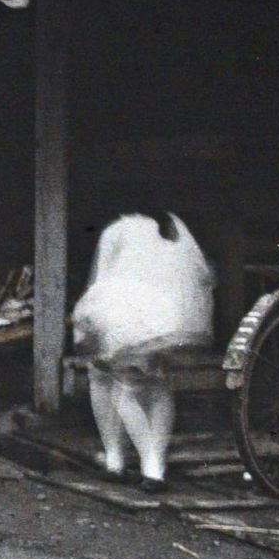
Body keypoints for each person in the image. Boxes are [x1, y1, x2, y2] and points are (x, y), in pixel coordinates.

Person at [71, 210, 214, 493]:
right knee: (157, 384)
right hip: (174, 317)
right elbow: (200, 274)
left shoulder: (119, 228)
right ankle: (154, 463)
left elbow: (102, 279)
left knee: (117, 384)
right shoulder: (176, 224)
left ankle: (129, 462)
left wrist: (87, 322)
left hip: (130, 316)